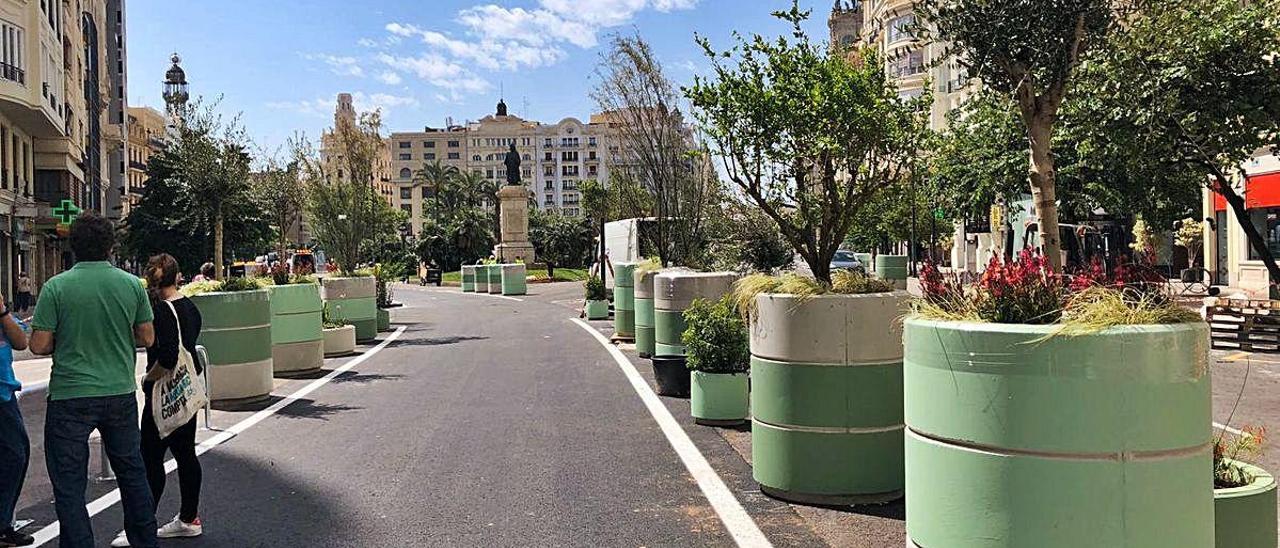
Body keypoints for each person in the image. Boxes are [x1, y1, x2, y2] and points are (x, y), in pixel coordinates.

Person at [29, 213, 158, 548]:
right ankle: (145, 540)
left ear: (74, 245)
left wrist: (67, 337)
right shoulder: (131, 285)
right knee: (132, 474)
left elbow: (39, 344)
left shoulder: (56, 287)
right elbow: (147, 336)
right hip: (119, 392)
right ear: (111, 246)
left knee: (70, 485)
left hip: (69, 395)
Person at [111, 255, 203, 547]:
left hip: (162, 395)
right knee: (185, 454)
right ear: (177, 277)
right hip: (186, 393)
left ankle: (143, 525)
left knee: (149, 460)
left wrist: (148, 379)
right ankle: (189, 518)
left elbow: (167, 357)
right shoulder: (189, 307)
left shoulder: (162, 311)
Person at [0, 289, 31, 547]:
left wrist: (2, 312)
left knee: (16, 455)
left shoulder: (2, 315)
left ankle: (3, 523)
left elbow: (21, 342)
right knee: (14, 455)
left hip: (4, 395)